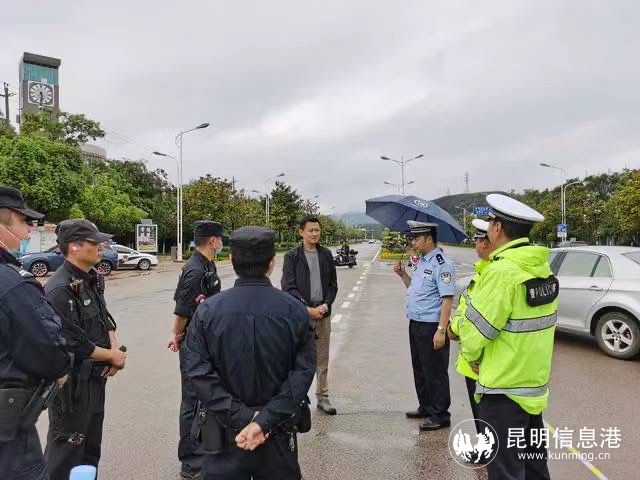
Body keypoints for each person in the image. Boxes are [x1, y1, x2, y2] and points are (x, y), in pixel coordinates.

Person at [183, 226, 316, 480]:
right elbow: (303, 372)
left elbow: (197, 372)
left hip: (223, 432)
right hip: (277, 430)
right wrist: (262, 421)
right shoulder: (295, 310)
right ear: (272, 262)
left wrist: (242, 417)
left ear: (233, 260)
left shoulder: (208, 311)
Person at [458, 194, 558, 480]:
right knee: (535, 467)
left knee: (505, 470)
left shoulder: (501, 272)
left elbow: (475, 334)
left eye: (490, 222)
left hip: (503, 390)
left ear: (498, 227)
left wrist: (472, 357)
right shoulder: (541, 267)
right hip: (533, 387)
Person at [44, 219, 127, 480]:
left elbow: (105, 319)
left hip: (95, 379)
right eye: (95, 242)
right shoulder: (59, 289)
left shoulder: (91, 278)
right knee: (66, 452)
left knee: (90, 450)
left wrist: (114, 350)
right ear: (74, 247)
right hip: (72, 386)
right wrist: (111, 356)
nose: (102, 247)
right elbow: (72, 341)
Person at [0, 186, 70, 480]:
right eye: (23, 221)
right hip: (9, 437)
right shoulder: (12, 284)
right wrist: (62, 366)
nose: (28, 231)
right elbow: (50, 351)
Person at [169, 220, 224, 479]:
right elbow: (181, 311)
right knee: (192, 400)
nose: (222, 243)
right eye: (220, 239)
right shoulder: (194, 270)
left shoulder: (207, 265)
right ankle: (190, 463)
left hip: (206, 340)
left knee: (205, 397)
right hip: (194, 343)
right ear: (213, 240)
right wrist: (177, 335)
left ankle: (205, 450)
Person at [393, 221, 455, 431]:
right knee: (420, 368)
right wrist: (403, 275)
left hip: (432, 325)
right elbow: (415, 289)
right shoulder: (422, 261)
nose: (413, 242)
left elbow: (447, 299)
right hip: (416, 323)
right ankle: (426, 407)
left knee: (435, 371)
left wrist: (441, 330)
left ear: (429, 239)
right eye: (412, 238)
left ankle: (441, 415)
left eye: (417, 238)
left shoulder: (441, 264)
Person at [282, 216, 338, 415]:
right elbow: (288, 287)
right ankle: (297, 399)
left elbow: (333, 285)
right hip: (300, 316)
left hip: (322, 313)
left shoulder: (326, 255)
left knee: (322, 358)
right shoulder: (292, 257)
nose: (315, 234)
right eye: (311, 230)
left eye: (317, 230)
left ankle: (323, 397)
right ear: (301, 232)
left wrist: (325, 305)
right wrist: (307, 309)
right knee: (297, 358)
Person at [448, 219, 494, 444]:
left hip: (481, 362)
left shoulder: (493, 276)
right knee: (481, 415)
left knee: (488, 415)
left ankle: (488, 450)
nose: (475, 244)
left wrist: (452, 329)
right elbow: (465, 310)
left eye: (476, 240)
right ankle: (485, 447)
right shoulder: (482, 272)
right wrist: (454, 326)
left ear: (485, 243)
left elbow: (483, 322)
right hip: (474, 360)